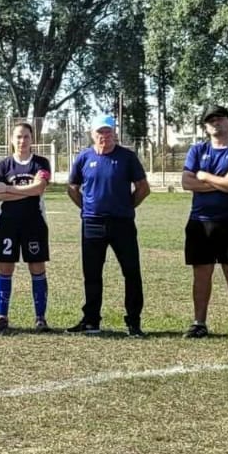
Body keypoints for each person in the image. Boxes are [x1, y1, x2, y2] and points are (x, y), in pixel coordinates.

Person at [66, 115, 150, 337]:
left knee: (131, 272)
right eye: (100, 132)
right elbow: (73, 187)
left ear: (115, 133)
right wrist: (86, 208)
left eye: (108, 131)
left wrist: (127, 206)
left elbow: (143, 187)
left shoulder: (127, 157)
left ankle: (133, 322)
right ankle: (91, 320)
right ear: (92, 134)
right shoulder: (84, 157)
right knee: (92, 273)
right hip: (92, 224)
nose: (104, 136)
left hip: (122, 223)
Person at [181, 104, 228, 339]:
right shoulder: (196, 150)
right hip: (200, 222)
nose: (216, 123)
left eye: (220, 119)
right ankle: (199, 322)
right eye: (211, 120)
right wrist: (222, 182)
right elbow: (187, 183)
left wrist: (205, 176)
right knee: (202, 273)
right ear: (205, 126)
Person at [0, 122, 52, 332]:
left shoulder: (41, 163)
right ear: (11, 140)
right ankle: (2, 317)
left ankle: (40, 318)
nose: (22, 141)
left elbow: (39, 189)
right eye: (18, 137)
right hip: (7, 225)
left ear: (32, 139)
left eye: (26, 136)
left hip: (34, 223)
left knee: (37, 267)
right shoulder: (3, 165)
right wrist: (27, 189)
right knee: (5, 268)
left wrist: (10, 188)